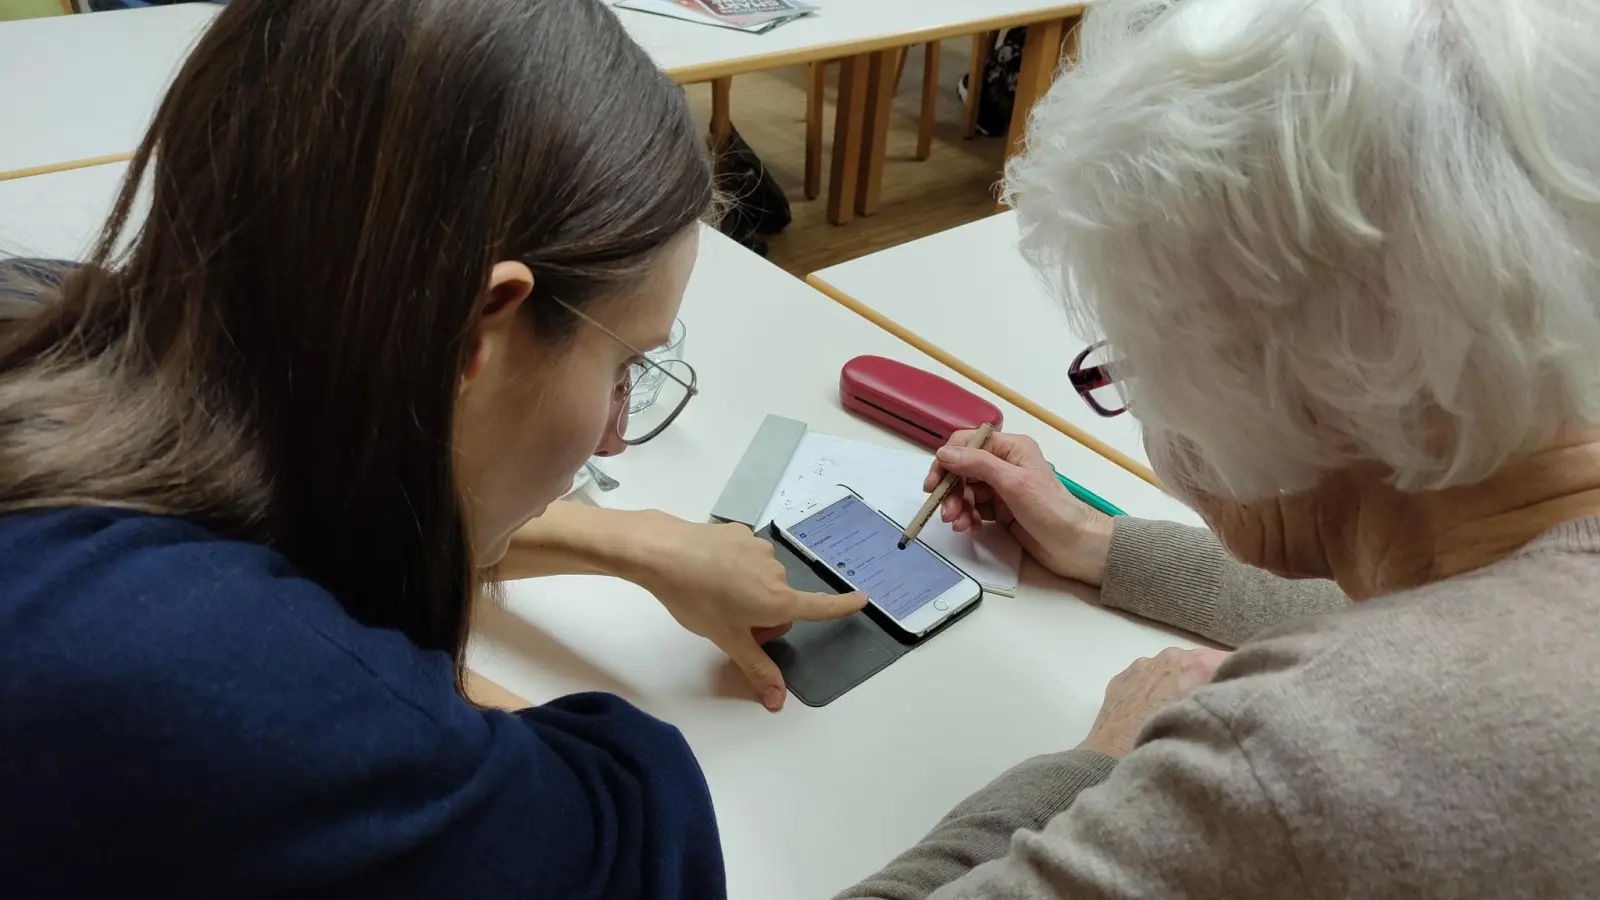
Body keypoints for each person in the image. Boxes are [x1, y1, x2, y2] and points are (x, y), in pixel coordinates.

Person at [0, 0, 864, 896]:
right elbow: (634, 850)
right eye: (624, 365)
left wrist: (628, 540)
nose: (614, 430)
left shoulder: (51, 318)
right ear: (470, 335)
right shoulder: (219, 685)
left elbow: (319, 453)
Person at [839, 0, 1600, 897]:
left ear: (1290, 387)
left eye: (1130, 365)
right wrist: (1100, 542)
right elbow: (1465, 617)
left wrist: (1107, 758)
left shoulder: (1276, 766)